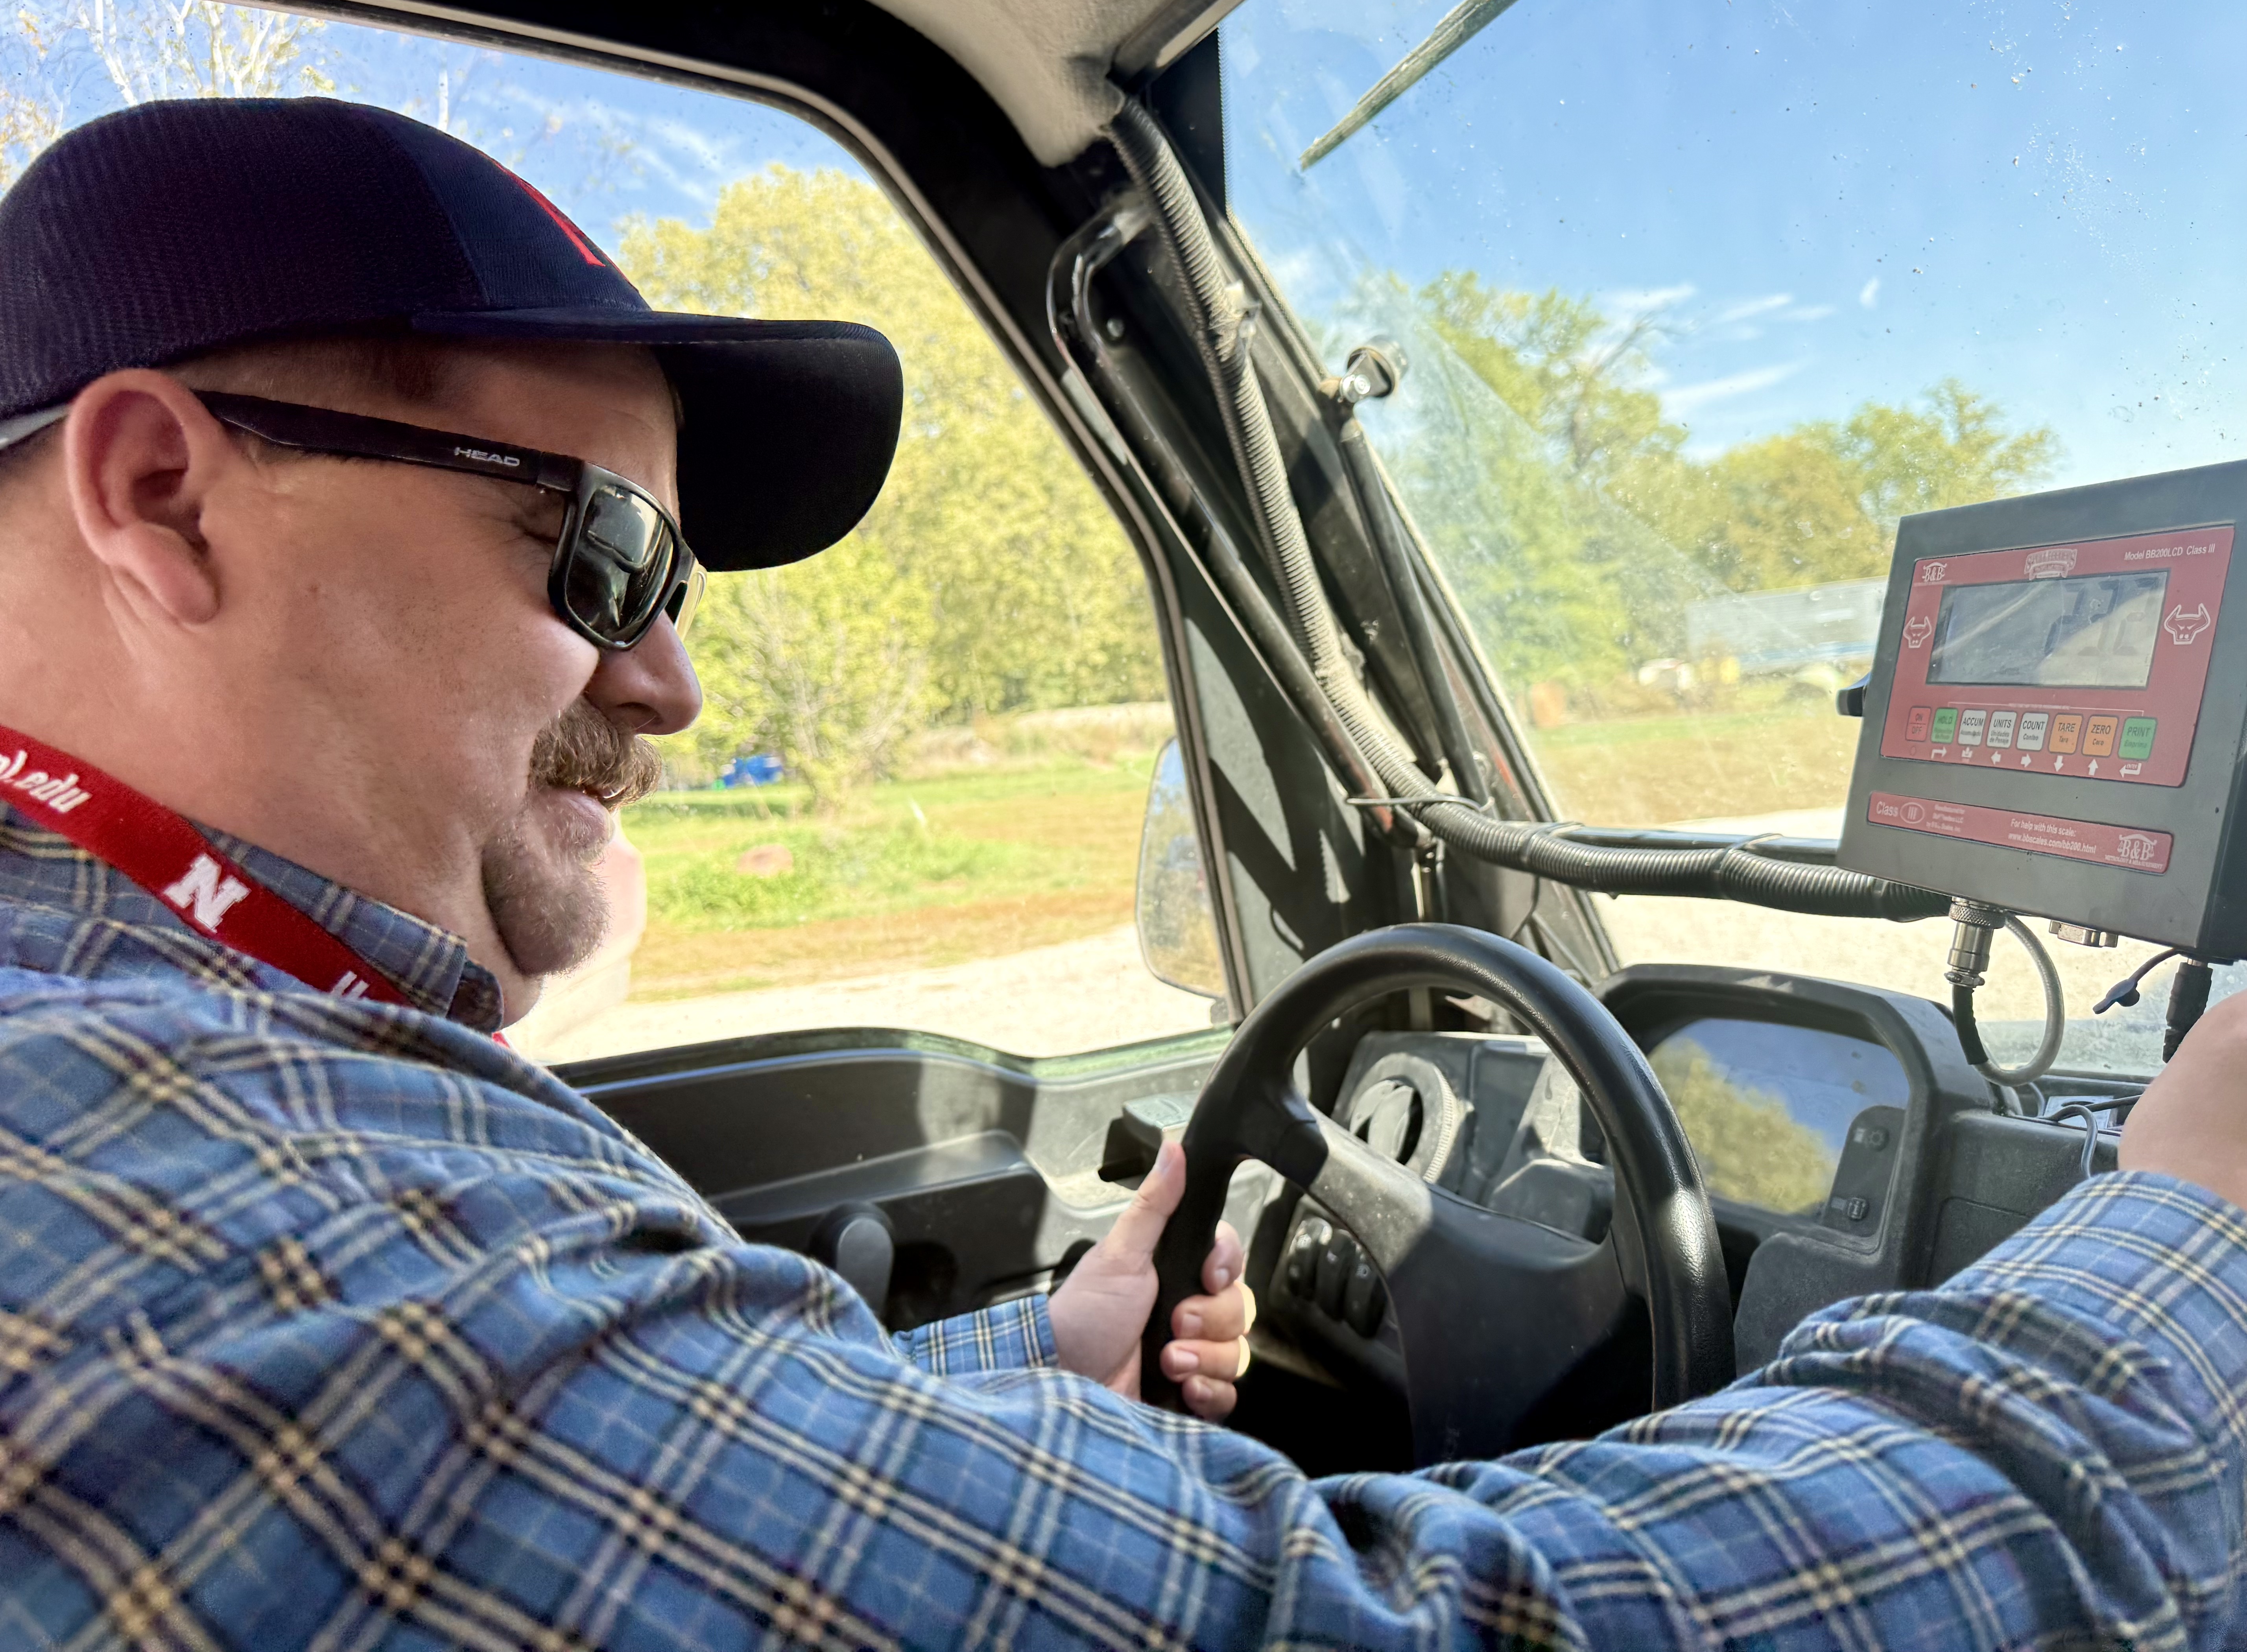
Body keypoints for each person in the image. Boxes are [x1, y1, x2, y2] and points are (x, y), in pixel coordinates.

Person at [0, 98, 2241, 1651]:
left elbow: (633, 1483)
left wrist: (1033, 1372)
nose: (671, 680)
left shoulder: (191, 1074)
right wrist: (2193, 1248)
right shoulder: (219, 1209)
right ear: (164, 499)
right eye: (601, 550)